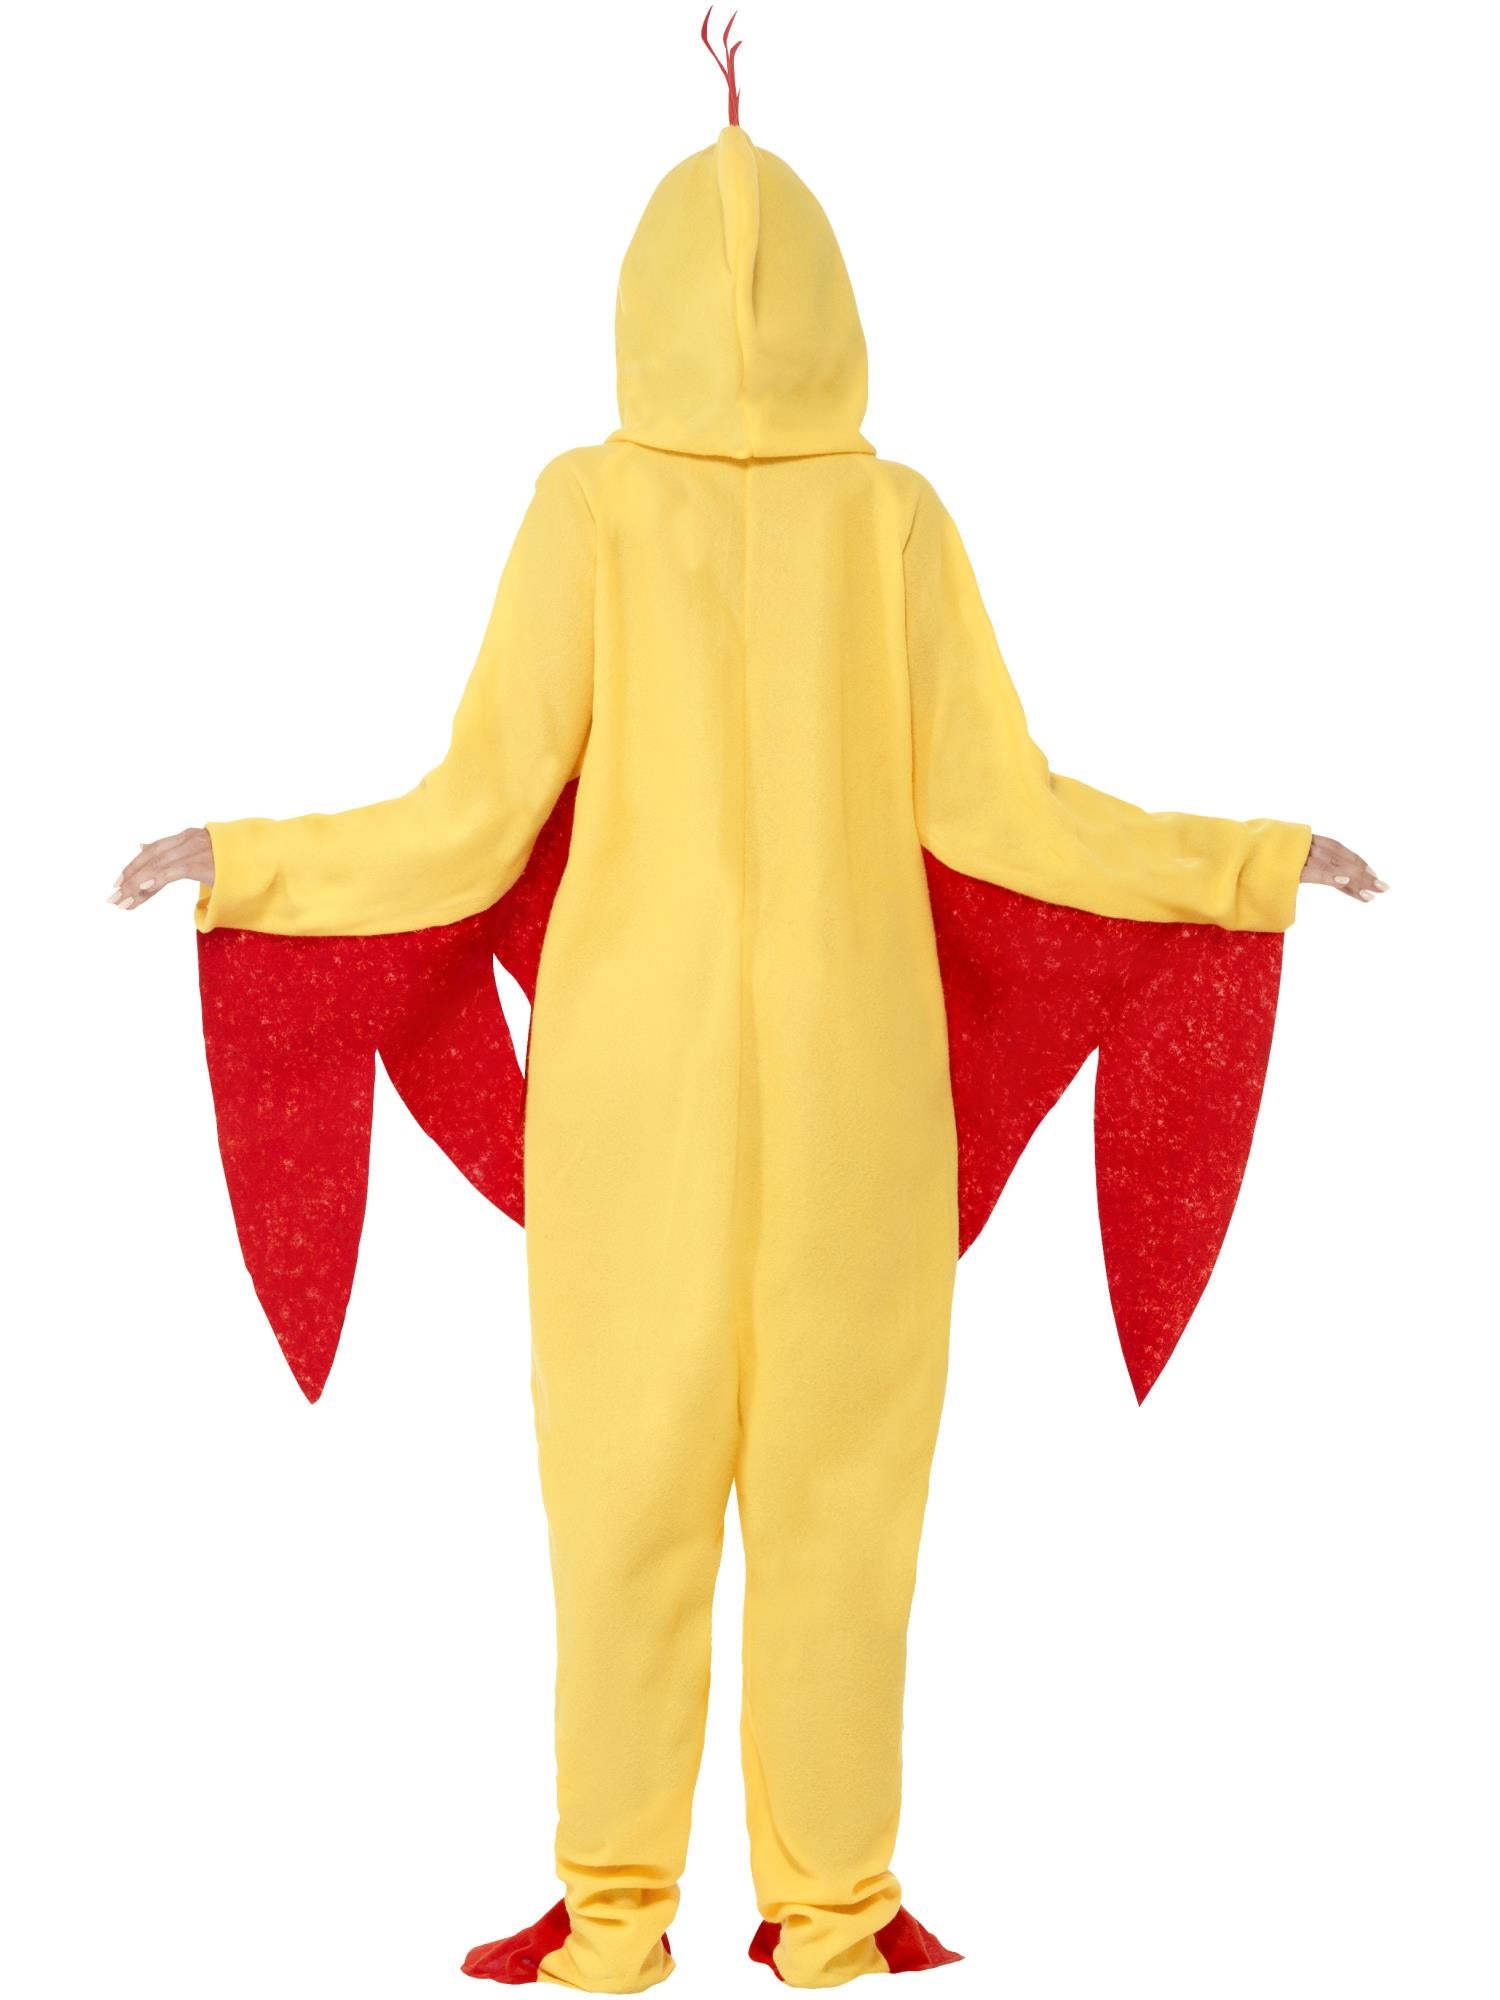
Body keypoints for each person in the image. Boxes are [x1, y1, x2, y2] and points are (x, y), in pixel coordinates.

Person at [107, 64, 1384, 1998]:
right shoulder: (892, 517)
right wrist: (1240, 864)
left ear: (639, 306)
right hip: (862, 1105)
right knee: (843, 1520)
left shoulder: (593, 505)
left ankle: (615, 1918)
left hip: (628, 1110)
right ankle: (833, 1917)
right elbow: (1013, 816)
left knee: (621, 1510)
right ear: (839, 310)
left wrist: (260, 864)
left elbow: (471, 815)